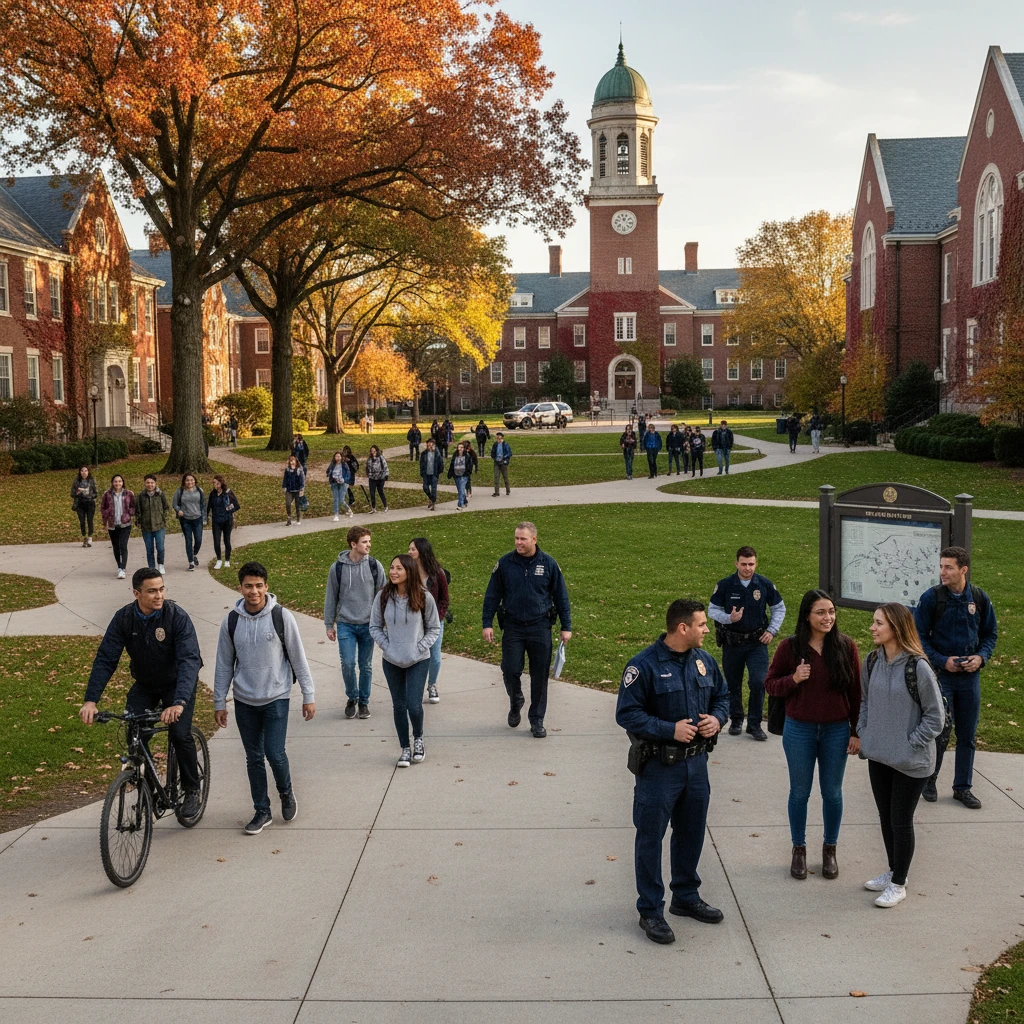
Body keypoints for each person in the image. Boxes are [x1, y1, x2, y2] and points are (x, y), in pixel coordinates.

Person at [615, 598, 729, 944]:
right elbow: (627, 714)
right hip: (659, 769)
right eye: (701, 624)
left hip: (697, 766)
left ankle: (686, 896)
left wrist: (717, 719)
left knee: (691, 832)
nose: (706, 630)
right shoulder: (644, 666)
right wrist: (669, 729)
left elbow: (722, 697)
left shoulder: (704, 661)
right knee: (651, 837)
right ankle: (650, 910)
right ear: (683, 628)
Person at [79, 567, 202, 818]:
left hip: (176, 685)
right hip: (145, 685)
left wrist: (179, 702)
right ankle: (146, 785)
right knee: (134, 734)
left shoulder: (176, 617)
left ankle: (191, 790)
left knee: (180, 735)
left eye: (162, 589)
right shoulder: (124, 618)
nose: (159, 595)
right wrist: (91, 700)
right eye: (152, 591)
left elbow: (189, 660)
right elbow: (106, 659)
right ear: (137, 594)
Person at [765, 590, 861, 882]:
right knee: (799, 792)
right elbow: (770, 684)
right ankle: (799, 849)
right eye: (820, 612)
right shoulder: (789, 647)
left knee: (832, 792)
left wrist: (856, 731)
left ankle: (830, 849)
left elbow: (857, 693)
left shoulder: (846, 647)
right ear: (807, 616)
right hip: (799, 730)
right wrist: (793, 679)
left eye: (831, 611)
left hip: (836, 730)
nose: (827, 617)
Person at [213, 561, 315, 835]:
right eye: (248, 586)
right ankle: (262, 810)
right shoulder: (231, 621)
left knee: (274, 753)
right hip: (245, 700)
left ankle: (286, 792)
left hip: (276, 696)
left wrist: (308, 694)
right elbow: (223, 664)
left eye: (259, 586)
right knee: (254, 757)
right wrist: (219, 701)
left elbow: (298, 657)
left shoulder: (281, 617)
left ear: (267, 587)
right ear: (240, 588)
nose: (254, 591)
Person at [858, 603, 944, 908]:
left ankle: (898, 884)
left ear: (895, 628)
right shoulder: (871, 661)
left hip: (911, 761)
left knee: (901, 820)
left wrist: (911, 743)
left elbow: (936, 717)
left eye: (878, 623)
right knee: (886, 817)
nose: (872, 628)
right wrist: (865, 732)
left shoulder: (918, 667)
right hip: (879, 756)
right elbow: (865, 701)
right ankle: (895, 871)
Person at [914, 546, 998, 808]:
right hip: (941, 677)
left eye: (948, 567)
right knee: (940, 732)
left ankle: (963, 788)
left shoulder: (979, 598)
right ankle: (929, 779)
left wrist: (981, 658)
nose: (943, 572)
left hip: (970, 679)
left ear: (964, 570)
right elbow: (918, 638)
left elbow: (990, 634)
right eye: (941, 566)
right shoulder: (932, 598)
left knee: (967, 736)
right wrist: (942, 661)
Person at [481, 521, 571, 738]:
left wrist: (566, 626)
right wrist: (487, 623)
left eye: (523, 539)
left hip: (540, 627)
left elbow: (561, 597)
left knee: (540, 676)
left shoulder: (548, 564)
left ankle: (537, 720)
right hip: (513, 626)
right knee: (510, 669)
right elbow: (492, 595)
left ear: (534, 539)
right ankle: (516, 700)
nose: (518, 542)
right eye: (516, 538)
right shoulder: (505, 564)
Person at [370, 553, 441, 768]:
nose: (393, 572)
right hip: (392, 660)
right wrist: (387, 646)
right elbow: (374, 626)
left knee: (413, 705)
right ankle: (405, 748)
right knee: (399, 706)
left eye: (399, 568)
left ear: (409, 571)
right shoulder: (383, 596)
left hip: (418, 660)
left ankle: (418, 738)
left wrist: (419, 647)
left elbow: (434, 628)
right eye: (392, 567)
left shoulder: (424, 596)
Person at [709, 546, 786, 740]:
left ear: (756, 563)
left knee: (758, 682)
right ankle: (736, 720)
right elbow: (712, 610)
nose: (747, 568)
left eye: (751, 564)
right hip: (732, 643)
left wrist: (772, 630)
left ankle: (754, 724)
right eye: (743, 564)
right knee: (733, 683)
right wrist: (729, 618)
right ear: (736, 563)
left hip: (756, 643)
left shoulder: (764, 584)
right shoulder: (725, 585)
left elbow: (779, 608)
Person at [324, 526, 386, 719]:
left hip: (368, 624)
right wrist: (329, 624)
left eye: (369, 541)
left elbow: (384, 596)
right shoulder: (338, 568)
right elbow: (331, 596)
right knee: (348, 663)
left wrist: (383, 623)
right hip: (346, 624)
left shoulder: (375, 566)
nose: (369, 545)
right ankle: (352, 697)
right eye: (364, 542)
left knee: (365, 665)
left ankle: (364, 702)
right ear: (353, 544)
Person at [409, 537, 449, 704]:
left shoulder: (437, 573)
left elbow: (444, 599)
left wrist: (437, 618)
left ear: (422, 552)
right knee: (415, 655)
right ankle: (414, 687)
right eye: (409, 549)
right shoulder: (408, 572)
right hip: (414, 622)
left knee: (435, 656)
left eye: (413, 549)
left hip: (434, 622)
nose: (409, 552)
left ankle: (432, 685)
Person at [100, 473, 136, 579]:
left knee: (123, 545)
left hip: (125, 524)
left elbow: (133, 506)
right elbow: (103, 507)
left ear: (122, 482)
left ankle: (123, 568)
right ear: (112, 483)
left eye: (119, 481)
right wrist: (106, 515)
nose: (117, 483)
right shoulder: (107, 494)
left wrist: (130, 513)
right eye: (115, 481)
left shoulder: (129, 493)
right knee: (116, 546)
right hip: (112, 524)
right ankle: (119, 566)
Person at [136, 473, 170, 574]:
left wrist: (163, 517)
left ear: (155, 484)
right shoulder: (141, 496)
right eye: (148, 482)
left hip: (159, 525)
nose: (150, 484)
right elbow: (138, 510)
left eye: (152, 483)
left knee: (160, 547)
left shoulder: (160, 494)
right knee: (149, 549)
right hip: (146, 527)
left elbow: (166, 507)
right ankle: (151, 567)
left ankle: (161, 564)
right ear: (144, 483)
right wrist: (139, 521)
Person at [172, 472, 206, 569]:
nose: (190, 482)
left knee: (198, 540)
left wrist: (204, 518)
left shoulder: (199, 490)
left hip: (198, 519)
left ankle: (194, 554)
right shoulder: (180, 491)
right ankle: (191, 562)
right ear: (184, 481)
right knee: (188, 540)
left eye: (191, 480)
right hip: (186, 520)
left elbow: (203, 505)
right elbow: (175, 504)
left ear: (194, 481)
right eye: (187, 480)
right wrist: (178, 510)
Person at [207, 474, 240, 569]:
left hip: (227, 520)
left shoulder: (228, 493)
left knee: (227, 540)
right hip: (216, 521)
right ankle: (219, 560)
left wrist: (228, 509)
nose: (215, 485)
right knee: (216, 541)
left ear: (221, 483)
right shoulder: (212, 494)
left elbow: (236, 505)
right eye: (214, 483)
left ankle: (227, 560)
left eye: (217, 483)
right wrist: (206, 517)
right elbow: (209, 506)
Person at [71, 465, 98, 547]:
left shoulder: (91, 480)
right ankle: (84, 537)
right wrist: (77, 493)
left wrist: (89, 495)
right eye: (82, 471)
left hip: (90, 503)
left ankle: (90, 537)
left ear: (88, 472)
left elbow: (96, 493)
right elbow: (72, 493)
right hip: (80, 503)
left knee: (90, 520)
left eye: (85, 471)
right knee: (82, 521)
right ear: (80, 472)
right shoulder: (76, 481)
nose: (84, 472)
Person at [326, 451, 354, 521]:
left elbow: (348, 474)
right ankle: (336, 515)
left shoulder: (344, 465)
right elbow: (328, 471)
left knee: (341, 500)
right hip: (334, 483)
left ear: (341, 457)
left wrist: (344, 480)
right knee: (336, 499)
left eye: (339, 456)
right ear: (334, 457)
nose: (337, 458)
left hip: (343, 483)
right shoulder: (332, 464)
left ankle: (349, 510)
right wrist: (329, 474)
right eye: (336, 456)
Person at [447, 440, 473, 511]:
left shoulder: (467, 456)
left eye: (461, 447)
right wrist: (450, 473)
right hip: (456, 475)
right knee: (460, 491)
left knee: (461, 489)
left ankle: (459, 505)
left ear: (464, 448)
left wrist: (468, 473)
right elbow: (452, 464)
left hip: (464, 475)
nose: (460, 449)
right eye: (459, 447)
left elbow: (470, 465)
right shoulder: (455, 455)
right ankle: (465, 501)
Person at [282, 455, 305, 526]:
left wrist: (301, 488)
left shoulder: (299, 470)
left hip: (297, 490)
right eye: (290, 461)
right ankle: (289, 518)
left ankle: (298, 518)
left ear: (296, 461)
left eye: (293, 460)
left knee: (297, 505)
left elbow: (302, 479)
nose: (292, 462)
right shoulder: (287, 470)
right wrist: (284, 486)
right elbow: (285, 479)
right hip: (289, 490)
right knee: (288, 503)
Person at [419, 438, 442, 510]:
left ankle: (433, 504)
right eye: (428, 445)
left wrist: (439, 472)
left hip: (434, 474)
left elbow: (441, 463)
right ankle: (432, 499)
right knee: (425, 487)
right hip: (426, 474)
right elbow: (421, 464)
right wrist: (422, 472)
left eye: (430, 445)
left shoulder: (437, 453)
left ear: (434, 445)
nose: (429, 447)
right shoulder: (424, 454)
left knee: (433, 489)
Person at [365, 444, 389, 513]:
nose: (373, 452)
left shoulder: (381, 458)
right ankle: (373, 508)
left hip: (380, 478)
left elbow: (385, 466)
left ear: (377, 451)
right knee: (372, 493)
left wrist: (386, 475)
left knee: (380, 491)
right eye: (372, 451)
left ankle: (385, 506)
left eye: (374, 451)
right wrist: (368, 473)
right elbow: (367, 467)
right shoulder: (369, 459)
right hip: (372, 478)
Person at [491, 431, 512, 496]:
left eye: (499, 438)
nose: (498, 440)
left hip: (503, 462)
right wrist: (494, 457)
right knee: (496, 477)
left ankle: (508, 490)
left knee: (505, 477)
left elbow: (509, 453)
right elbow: (492, 452)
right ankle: (496, 492)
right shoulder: (495, 445)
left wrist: (504, 458)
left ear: (502, 438)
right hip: (496, 462)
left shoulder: (505, 445)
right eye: (497, 438)